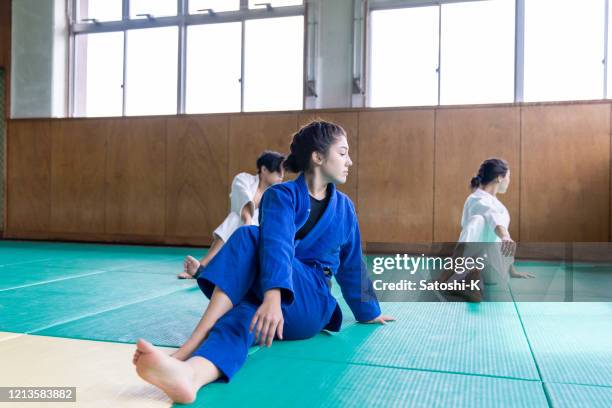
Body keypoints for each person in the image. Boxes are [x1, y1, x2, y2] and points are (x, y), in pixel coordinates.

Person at [133, 121, 395, 404]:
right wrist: (270, 299)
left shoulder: (344, 208)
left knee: (249, 236)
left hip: (310, 303)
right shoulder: (280, 195)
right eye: (343, 153)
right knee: (243, 315)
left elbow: (352, 264)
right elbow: (277, 244)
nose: (349, 161)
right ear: (318, 157)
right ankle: (191, 374)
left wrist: (368, 311)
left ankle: (188, 346)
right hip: (273, 306)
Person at [177, 151, 285, 279]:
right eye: (278, 172)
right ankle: (202, 266)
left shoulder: (279, 193)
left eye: (283, 172)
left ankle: (207, 268)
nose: (282, 176)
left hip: (261, 237)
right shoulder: (243, 179)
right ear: (264, 169)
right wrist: (247, 220)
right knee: (235, 219)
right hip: (239, 229)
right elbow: (242, 200)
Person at [439, 158, 534, 302]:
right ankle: (462, 278)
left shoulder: (495, 203)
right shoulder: (476, 199)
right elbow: (491, 217)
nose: (509, 181)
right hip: (480, 266)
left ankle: (466, 279)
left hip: (492, 268)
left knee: (479, 222)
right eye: (509, 177)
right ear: (499, 178)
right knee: (478, 220)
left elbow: (498, 232)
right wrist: (505, 235)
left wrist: (512, 270)